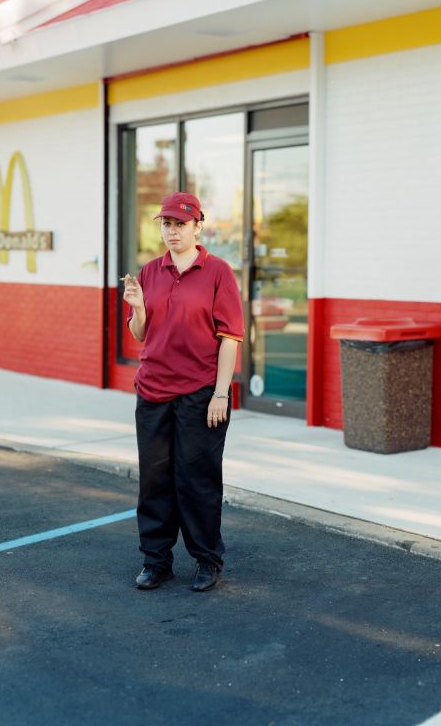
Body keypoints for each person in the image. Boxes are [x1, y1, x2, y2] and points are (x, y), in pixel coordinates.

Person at [121, 191, 244, 592]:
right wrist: (137, 307)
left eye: (179, 224)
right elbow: (141, 334)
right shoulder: (149, 271)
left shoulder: (218, 272)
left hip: (200, 393)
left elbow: (230, 338)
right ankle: (156, 561)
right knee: (154, 480)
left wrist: (221, 394)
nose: (171, 231)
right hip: (153, 388)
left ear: (197, 226)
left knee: (198, 479)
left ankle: (207, 560)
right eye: (166, 224)